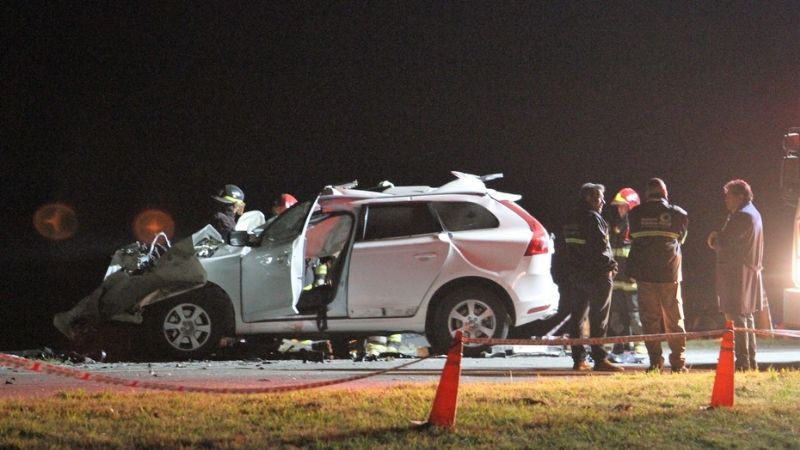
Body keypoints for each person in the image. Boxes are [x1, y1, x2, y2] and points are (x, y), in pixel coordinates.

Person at [627, 178, 689, 373]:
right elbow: (682, 239)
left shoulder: (635, 215)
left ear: (647, 194)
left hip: (645, 276)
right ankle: (678, 363)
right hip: (670, 274)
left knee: (649, 320)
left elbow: (634, 243)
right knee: (674, 319)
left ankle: (655, 362)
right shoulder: (678, 214)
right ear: (665, 193)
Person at [563, 183, 623, 372]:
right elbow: (601, 247)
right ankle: (600, 359)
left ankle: (578, 360)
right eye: (599, 198)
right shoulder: (593, 218)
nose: (603, 201)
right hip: (597, 276)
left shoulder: (570, 218)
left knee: (577, 319)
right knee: (599, 319)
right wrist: (610, 267)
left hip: (577, 275)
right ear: (588, 198)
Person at [707, 179, 764, 371]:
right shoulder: (754, 214)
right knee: (746, 319)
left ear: (739, 196)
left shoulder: (741, 217)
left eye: (728, 196)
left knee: (736, 319)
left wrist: (714, 238)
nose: (726, 200)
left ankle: (742, 362)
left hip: (736, 276)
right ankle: (750, 362)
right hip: (747, 274)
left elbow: (723, 241)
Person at [608, 188, 646, 358]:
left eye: (623, 206)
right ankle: (619, 343)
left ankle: (640, 344)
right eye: (618, 207)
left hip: (631, 280)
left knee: (635, 313)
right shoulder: (617, 227)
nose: (620, 210)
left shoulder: (637, 227)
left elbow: (640, 253)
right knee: (617, 313)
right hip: (617, 279)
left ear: (631, 206)